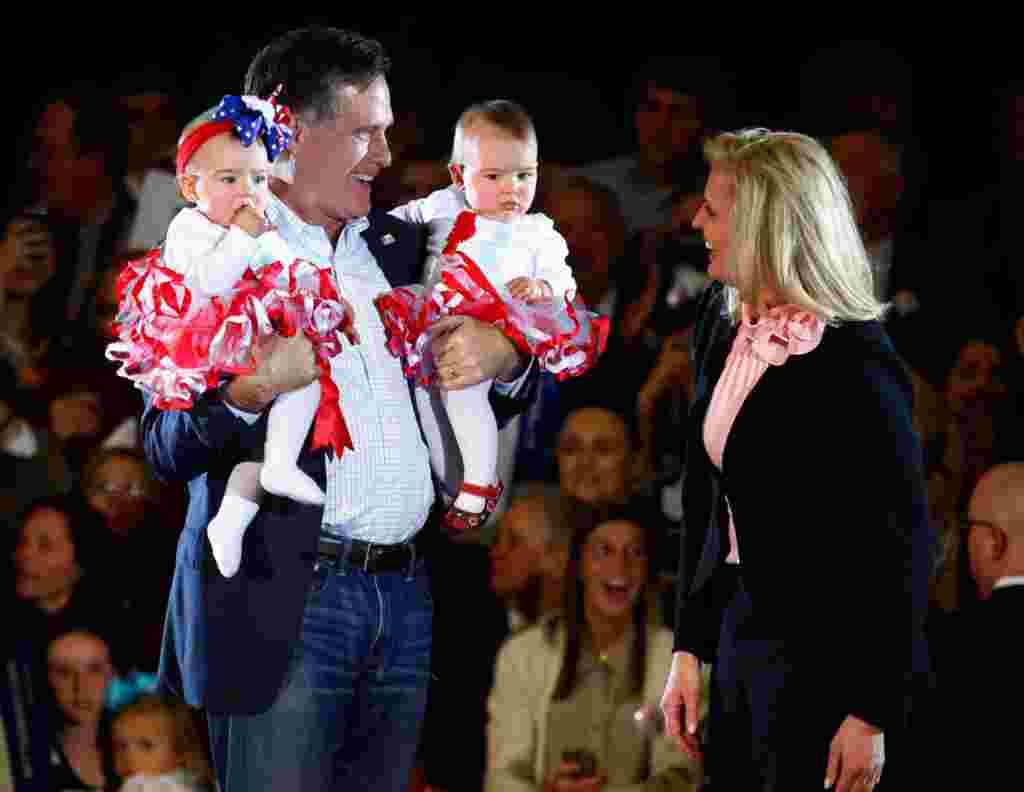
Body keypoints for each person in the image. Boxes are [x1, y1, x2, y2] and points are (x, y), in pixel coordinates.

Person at [147, 27, 537, 792]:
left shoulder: (399, 249)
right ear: (287, 129)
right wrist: (247, 391)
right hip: (287, 600)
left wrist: (504, 356)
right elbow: (162, 444)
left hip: (408, 597)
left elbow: (508, 366)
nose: (386, 157)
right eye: (366, 132)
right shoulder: (212, 257)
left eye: (386, 132)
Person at [658, 129, 932, 791]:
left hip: (826, 655)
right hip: (738, 628)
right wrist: (688, 647)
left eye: (714, 211)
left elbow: (902, 546)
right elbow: (705, 501)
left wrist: (872, 710)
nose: (697, 221)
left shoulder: (857, 362)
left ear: (763, 223)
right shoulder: (721, 325)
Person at [108, 91, 359, 578]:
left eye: (259, 179)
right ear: (189, 184)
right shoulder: (188, 228)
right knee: (246, 421)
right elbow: (207, 283)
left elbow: (282, 267)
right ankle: (238, 507)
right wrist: (246, 236)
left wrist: (321, 299)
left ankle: (258, 490)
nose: (248, 190)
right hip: (204, 343)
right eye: (230, 179)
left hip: (252, 334)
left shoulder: (259, 225)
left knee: (303, 378)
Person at [376, 99, 608, 531]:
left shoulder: (537, 231)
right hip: (430, 323)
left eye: (525, 175)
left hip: (493, 324)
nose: (512, 189)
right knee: (430, 405)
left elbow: (562, 282)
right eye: (495, 176)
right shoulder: (444, 204)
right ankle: (451, 483)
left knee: (463, 395)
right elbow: (393, 222)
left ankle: (479, 483)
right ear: (458, 175)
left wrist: (542, 289)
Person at [487, 500, 702, 791]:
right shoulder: (522, 655)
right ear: (579, 566)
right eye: (604, 551)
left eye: (634, 553)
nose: (620, 567)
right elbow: (502, 778)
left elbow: (683, 775)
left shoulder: (676, 662)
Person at [44, 628, 117, 790]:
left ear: (110, 674)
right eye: (64, 672)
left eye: (94, 669)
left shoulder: (138, 742)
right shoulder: (24, 757)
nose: (82, 686)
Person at [111, 693, 213, 792]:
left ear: (179, 752)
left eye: (146, 745)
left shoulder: (152, 785)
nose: (129, 755)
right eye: (121, 745)